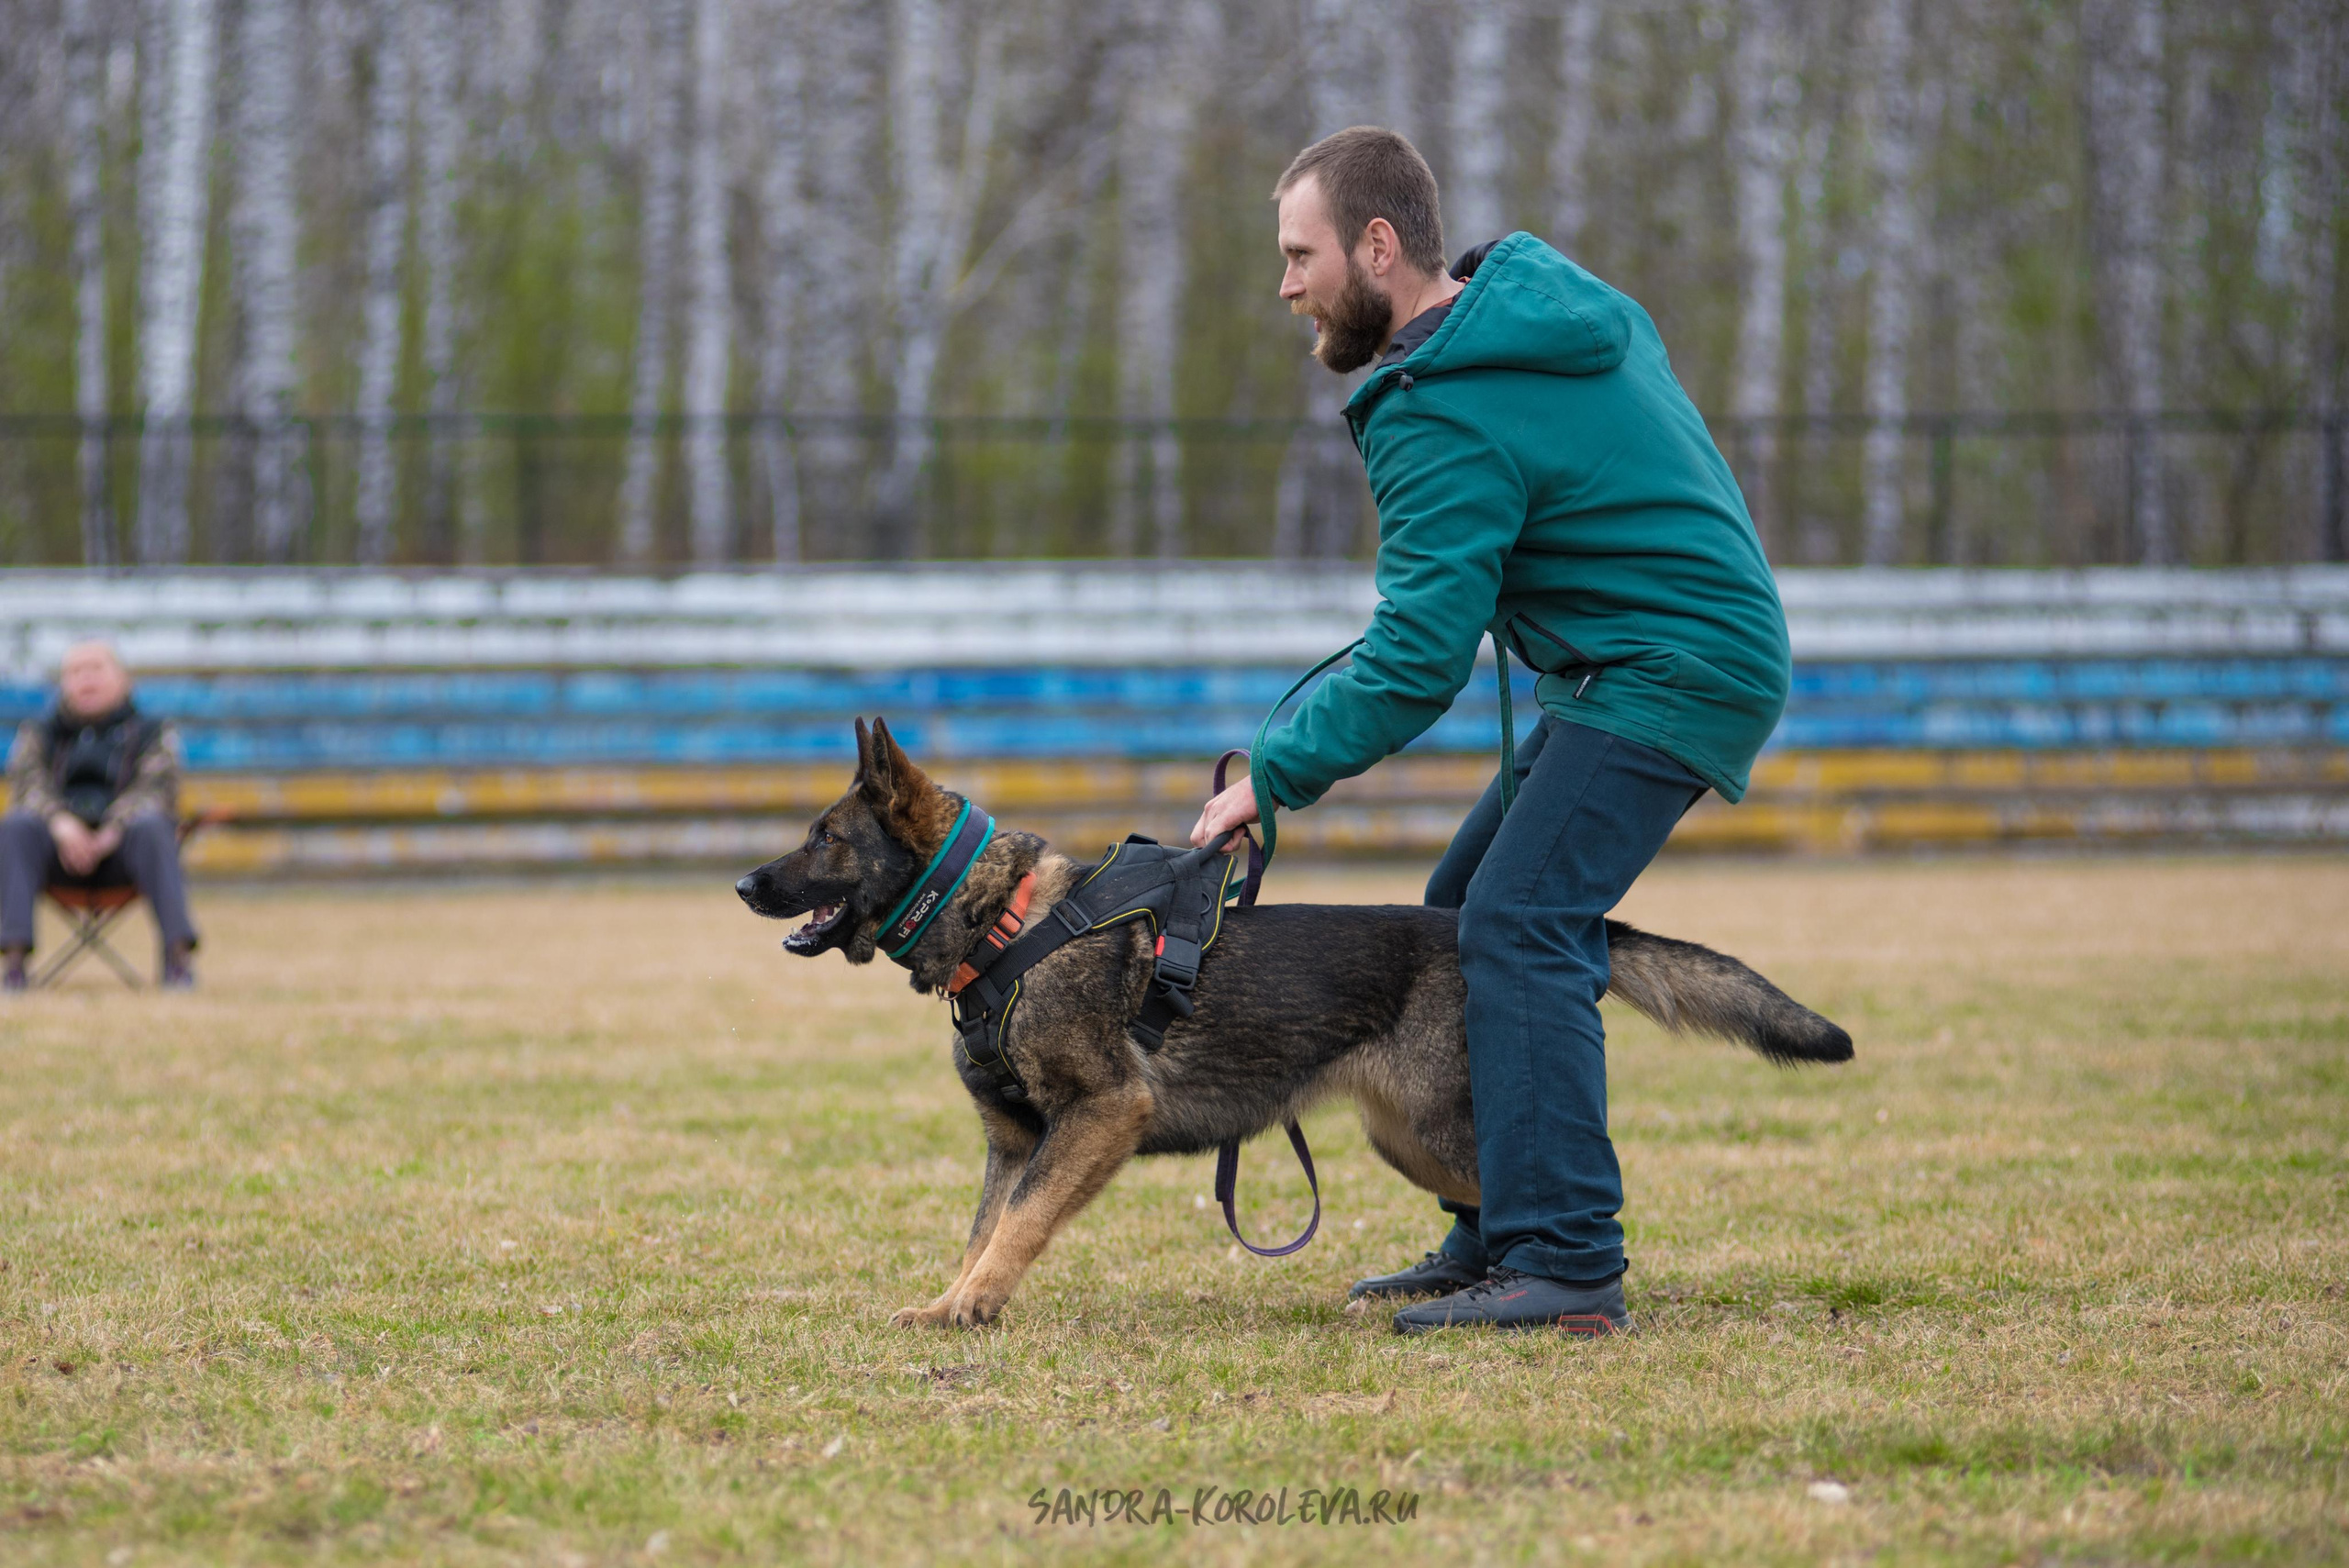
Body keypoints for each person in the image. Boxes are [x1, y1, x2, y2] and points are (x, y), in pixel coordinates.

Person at [1190, 128, 1790, 1335]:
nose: (1286, 285)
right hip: (1652, 655)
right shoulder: (1531, 312)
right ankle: (1497, 1232)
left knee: (1517, 925)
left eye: (1300, 254)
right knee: (1464, 912)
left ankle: (1568, 1260)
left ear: (1378, 244)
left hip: (1671, 669)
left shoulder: (1440, 406)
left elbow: (1416, 662)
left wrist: (1273, 776)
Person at [3, 641, 199, 990]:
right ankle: (14, 964)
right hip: (55, 856)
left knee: (155, 827)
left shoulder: (154, 732)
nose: (86, 680)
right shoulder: (38, 733)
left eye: (95, 670)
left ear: (123, 679)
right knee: (17, 827)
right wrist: (60, 822)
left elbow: (158, 789)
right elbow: (26, 784)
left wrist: (114, 828)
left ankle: (178, 961)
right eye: (75, 673)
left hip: (126, 853)